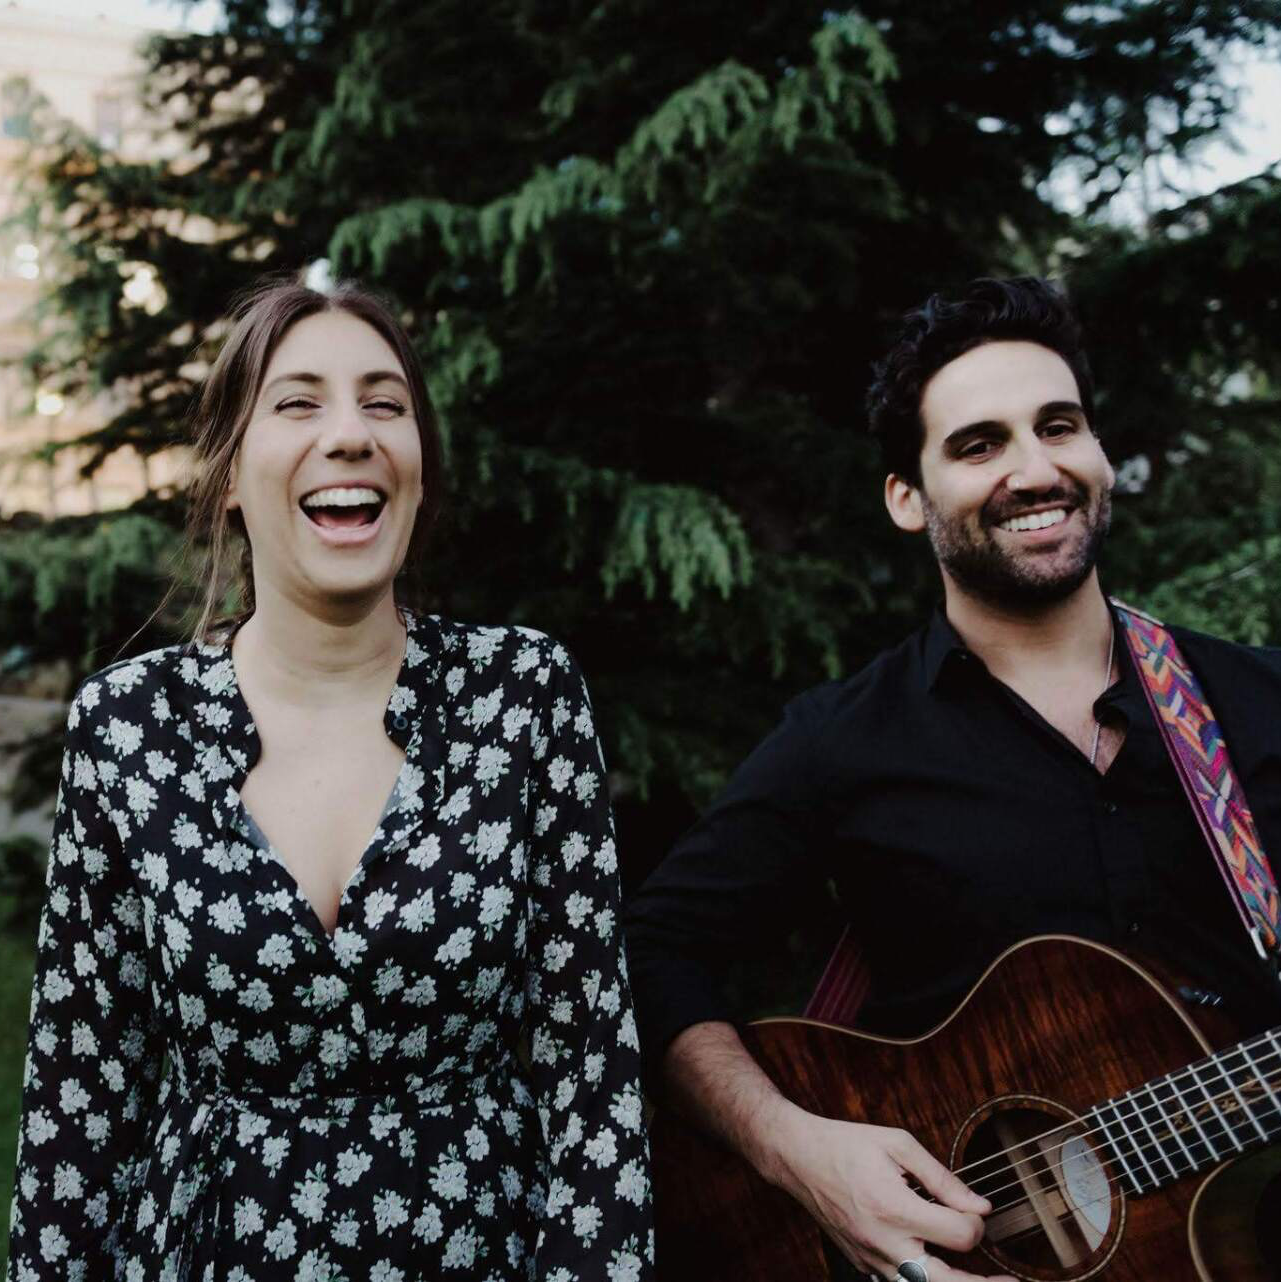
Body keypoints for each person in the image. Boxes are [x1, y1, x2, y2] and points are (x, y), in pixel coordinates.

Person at [623, 276, 1281, 1282]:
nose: (1035, 469)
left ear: (1100, 455)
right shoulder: (845, 741)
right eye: (979, 445)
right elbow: (649, 953)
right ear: (906, 496)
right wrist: (799, 1154)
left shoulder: (1259, 702)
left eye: (1058, 427)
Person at [5, 278, 653, 1282]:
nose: (350, 434)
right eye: (299, 402)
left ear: (420, 467)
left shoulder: (522, 696)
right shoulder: (128, 726)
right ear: (228, 471)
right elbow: (78, 1102)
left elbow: (591, 1073)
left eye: (384, 404)